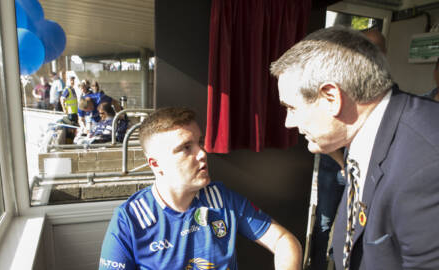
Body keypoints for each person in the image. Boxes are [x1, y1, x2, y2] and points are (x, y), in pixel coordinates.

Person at [270, 26, 439, 270]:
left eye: (292, 108)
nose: (288, 122)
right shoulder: (362, 133)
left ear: (331, 97)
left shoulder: (427, 164)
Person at [99, 107, 302, 270]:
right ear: (156, 164)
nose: (203, 153)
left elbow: (284, 240)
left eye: (200, 143)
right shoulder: (130, 219)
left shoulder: (222, 199)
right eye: (186, 147)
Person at [310, 27, 388, 270]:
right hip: (335, 165)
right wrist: (345, 164)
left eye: (380, 49)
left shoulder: (382, 88)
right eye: (372, 47)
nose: (377, 54)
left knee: (355, 225)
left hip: (362, 170)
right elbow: (318, 134)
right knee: (324, 222)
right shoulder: (336, 85)